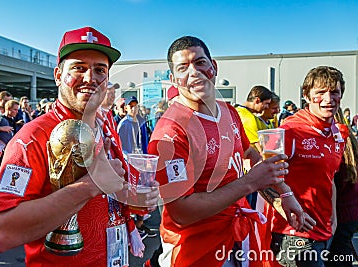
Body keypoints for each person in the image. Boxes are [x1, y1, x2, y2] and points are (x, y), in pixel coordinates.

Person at [0, 26, 159, 267]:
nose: (90, 78)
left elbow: (104, 194)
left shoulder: (105, 122)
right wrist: (87, 187)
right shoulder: (34, 136)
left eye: (100, 70)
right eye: (79, 67)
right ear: (58, 75)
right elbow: (2, 234)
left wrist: (130, 196)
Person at [148, 36, 313, 267]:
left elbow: (251, 157)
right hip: (195, 248)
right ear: (174, 79)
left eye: (200, 62)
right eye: (183, 68)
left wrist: (284, 195)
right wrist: (249, 183)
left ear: (213, 66)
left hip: (237, 236)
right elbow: (181, 211)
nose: (194, 72)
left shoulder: (228, 112)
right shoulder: (171, 132)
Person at [270, 66, 347, 267]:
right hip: (294, 235)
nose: (328, 99)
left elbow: (329, 179)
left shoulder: (338, 134)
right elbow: (259, 176)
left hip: (325, 232)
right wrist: (282, 206)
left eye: (334, 92)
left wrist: (334, 218)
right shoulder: (286, 130)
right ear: (306, 95)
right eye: (320, 93)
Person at [326, 108, 358, 267]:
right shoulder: (351, 139)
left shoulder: (334, 140)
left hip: (340, 212)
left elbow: (332, 180)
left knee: (338, 257)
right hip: (352, 208)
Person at [236, 85, 273, 152]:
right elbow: (259, 147)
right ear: (257, 100)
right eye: (266, 103)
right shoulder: (249, 118)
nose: (267, 107)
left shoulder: (237, 111)